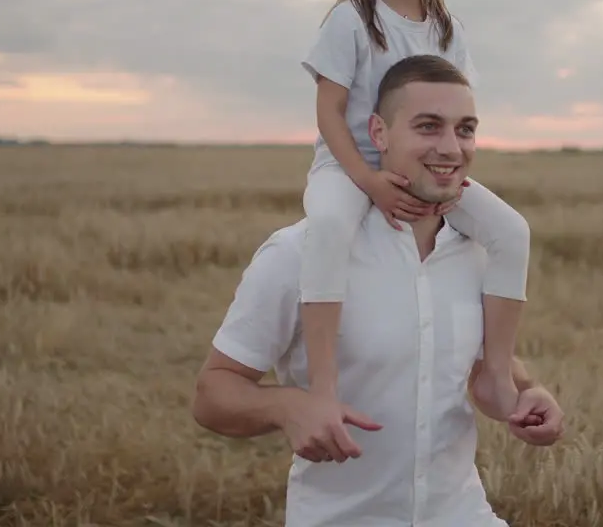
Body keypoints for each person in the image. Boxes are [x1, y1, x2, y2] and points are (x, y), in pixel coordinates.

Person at [192, 55, 565, 527]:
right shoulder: (297, 254)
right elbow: (212, 394)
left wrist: (529, 396)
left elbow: (482, 367)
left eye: (465, 129)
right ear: (378, 133)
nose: (452, 148)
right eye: (428, 127)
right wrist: (287, 406)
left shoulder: (481, 252)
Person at [297, 0, 532, 437]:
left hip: (428, 175)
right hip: (348, 167)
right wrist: (367, 180)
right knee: (327, 225)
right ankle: (323, 387)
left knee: (511, 231)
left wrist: (449, 182)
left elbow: (457, 114)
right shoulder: (351, 20)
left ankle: (498, 374)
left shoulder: (447, 30)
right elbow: (329, 112)